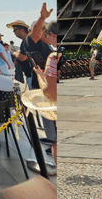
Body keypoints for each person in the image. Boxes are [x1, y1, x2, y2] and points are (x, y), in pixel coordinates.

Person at [32, 22, 59, 163]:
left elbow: (49, 90)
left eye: (47, 35)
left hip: (54, 109)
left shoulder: (53, 58)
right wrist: (42, 75)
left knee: (55, 141)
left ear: (52, 35)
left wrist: (40, 82)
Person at [9, 4, 53, 88]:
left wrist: (14, 53)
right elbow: (34, 36)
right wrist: (42, 18)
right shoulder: (32, 41)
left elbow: (23, 57)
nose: (47, 33)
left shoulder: (43, 43)